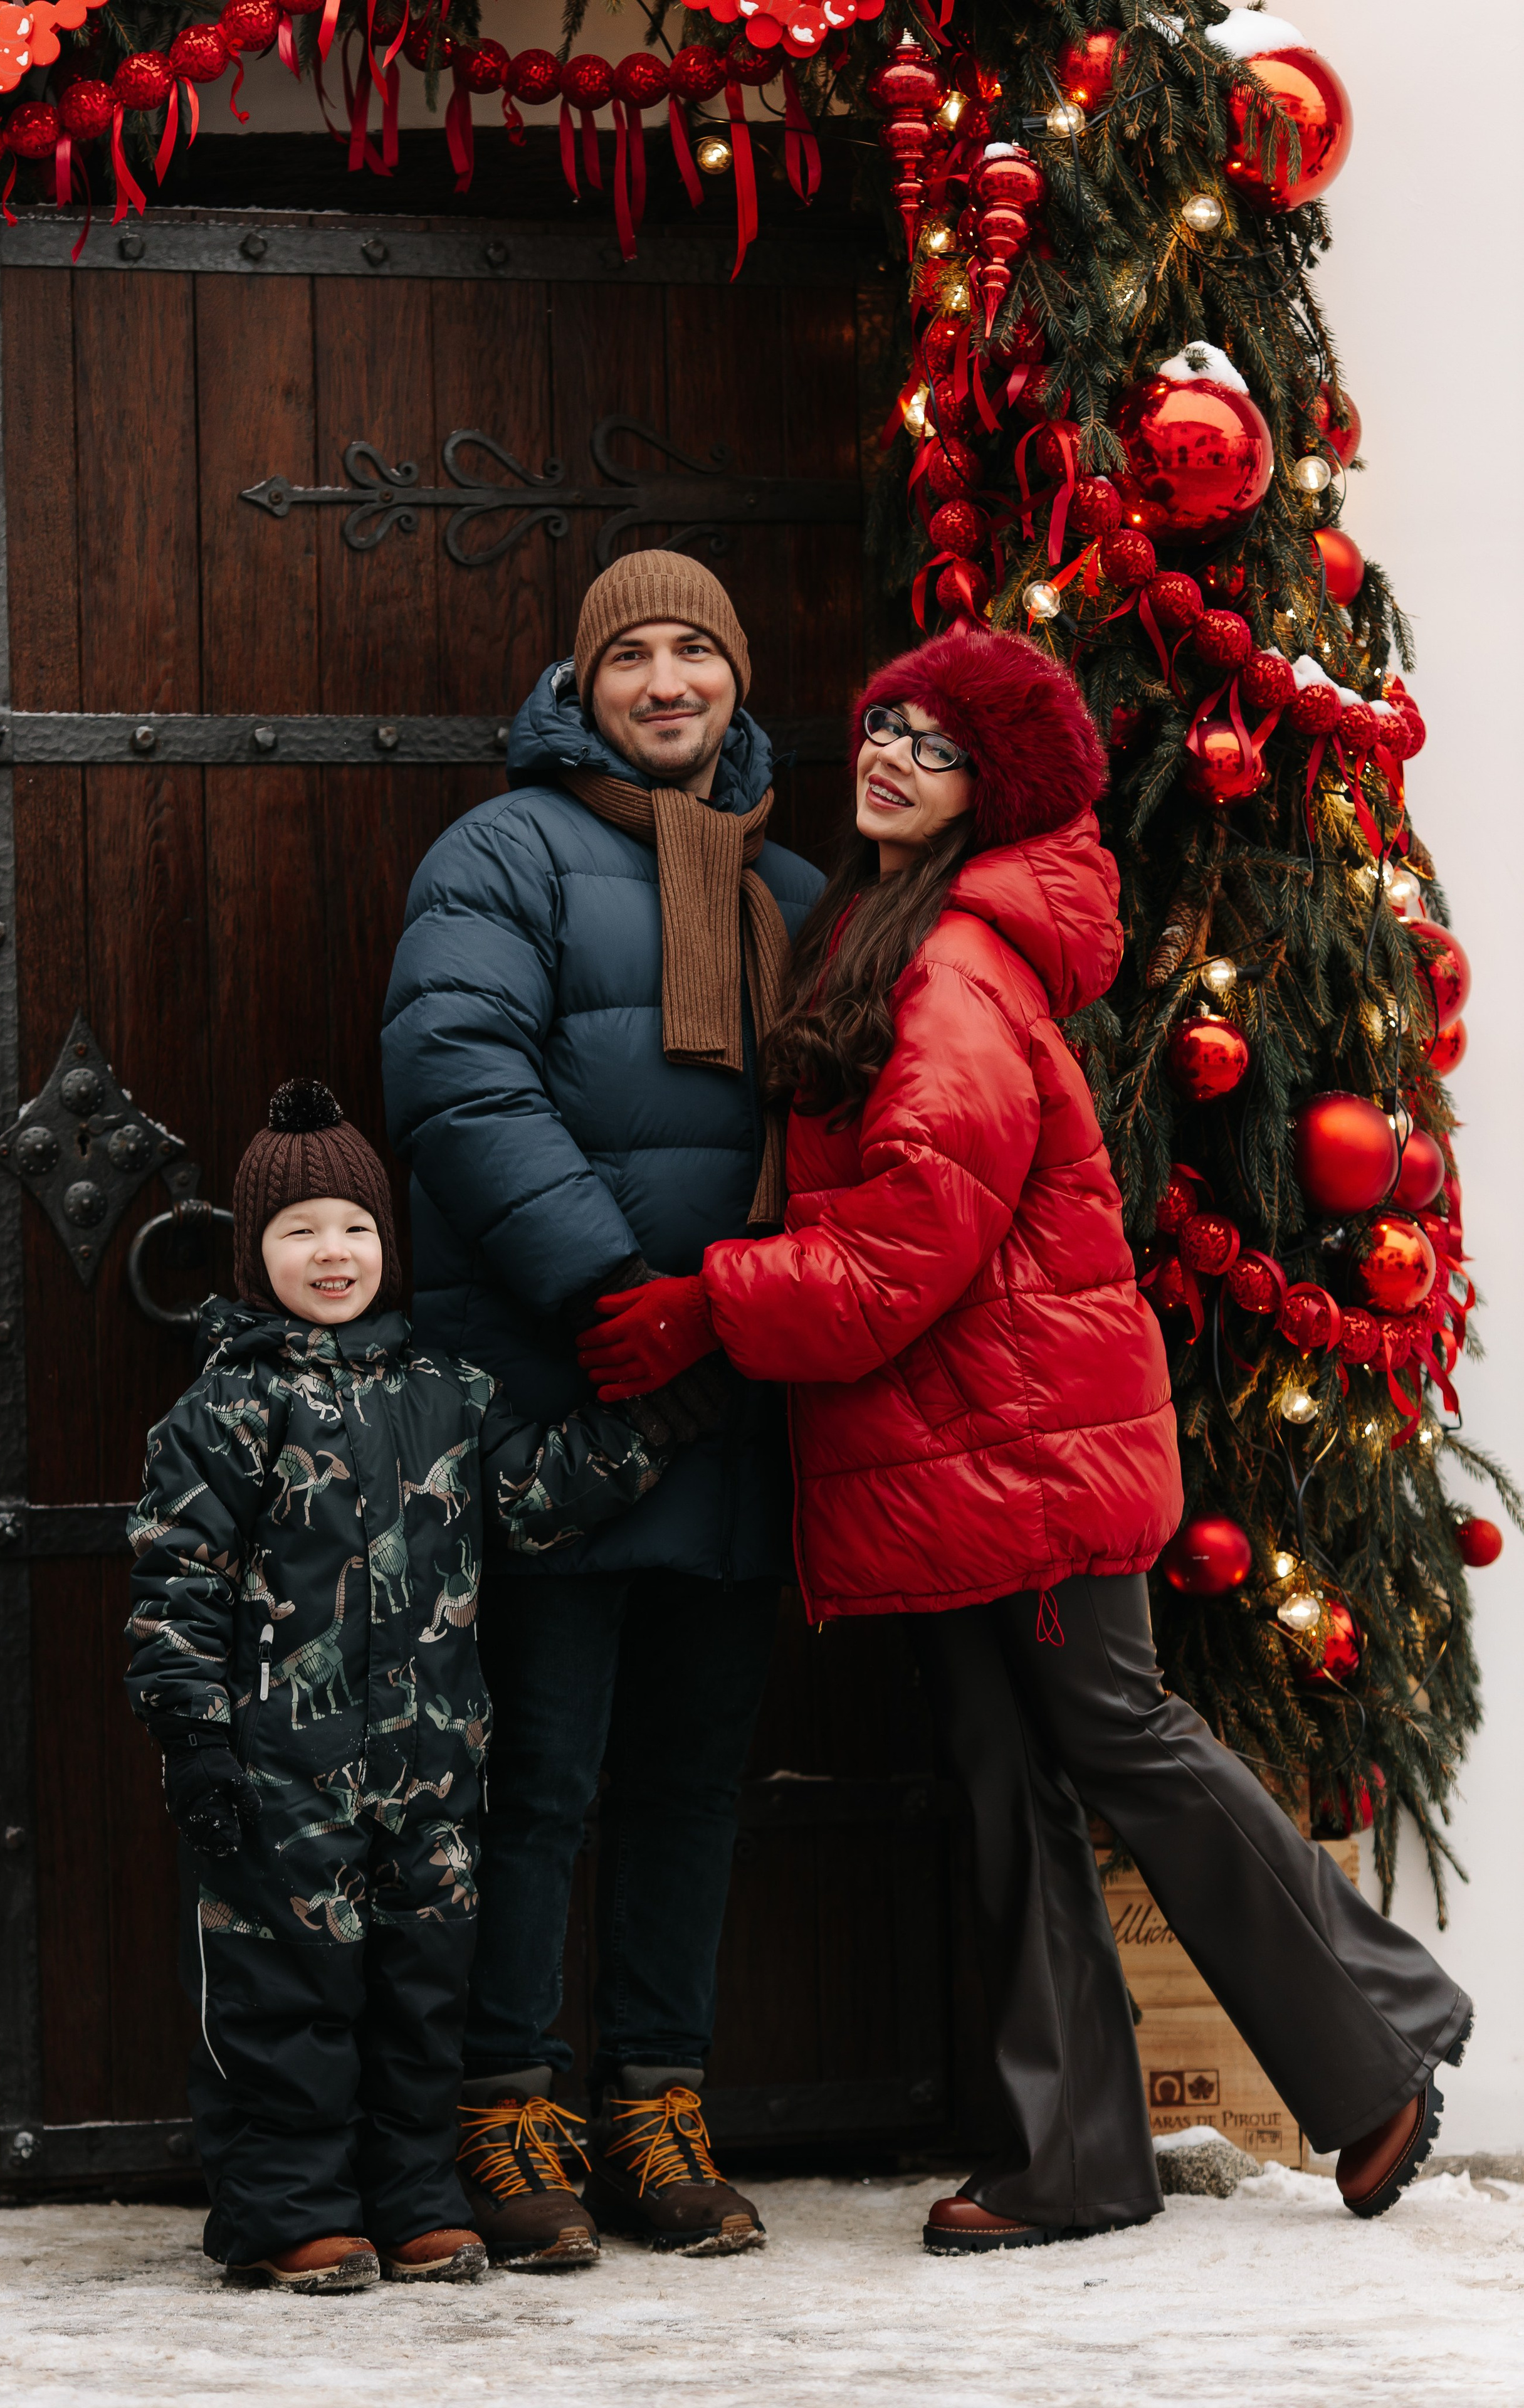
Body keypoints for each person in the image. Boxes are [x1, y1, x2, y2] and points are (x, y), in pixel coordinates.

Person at [579, 625, 1474, 2254]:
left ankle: (1380, 2034)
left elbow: (917, 1233)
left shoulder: (956, 965)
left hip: (1026, 1436)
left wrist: (717, 1304)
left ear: (997, 790)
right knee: (1005, 1777)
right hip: (958, 1452)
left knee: (1121, 1738)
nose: (893, 755)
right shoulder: (886, 927)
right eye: (882, 726)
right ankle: (1070, 2157)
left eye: (937, 743)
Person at [381, 551, 822, 2267]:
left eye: (693, 653)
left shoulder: (783, 879)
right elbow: (455, 1069)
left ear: (733, 683)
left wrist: (735, 1318)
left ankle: (657, 2109)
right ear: (583, 684)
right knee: (537, 1773)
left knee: (690, 1776)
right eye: (629, 654)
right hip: (555, 1394)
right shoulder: (501, 852)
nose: (663, 682)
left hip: (724, 1397)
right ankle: (507, 2112)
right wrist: (600, 1286)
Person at [125, 1079, 669, 2294]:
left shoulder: (446, 1391)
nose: (333, 1253)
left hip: (430, 1776)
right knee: (288, 1999)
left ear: (387, 1243)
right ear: (256, 1254)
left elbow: (535, 1501)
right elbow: (177, 1589)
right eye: (300, 1231)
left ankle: (414, 2193)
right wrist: (196, 1740)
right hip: (281, 1779)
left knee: (422, 1993)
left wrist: (655, 1419)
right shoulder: (225, 1410)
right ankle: (290, 2212)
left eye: (355, 1229)